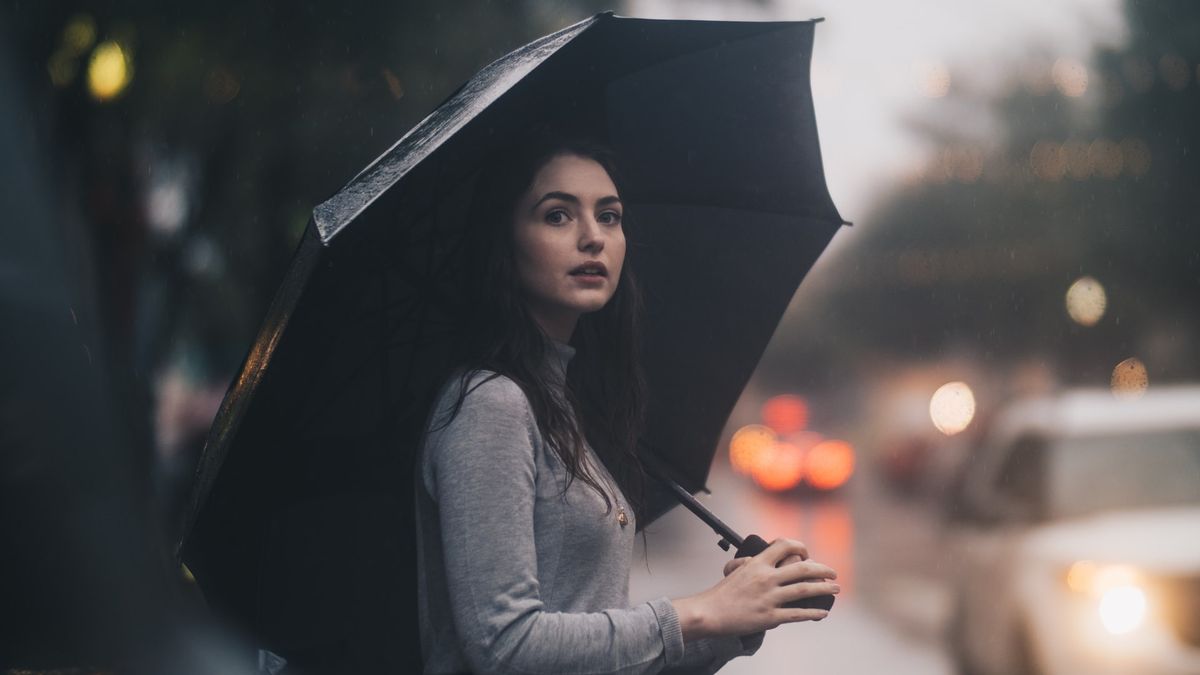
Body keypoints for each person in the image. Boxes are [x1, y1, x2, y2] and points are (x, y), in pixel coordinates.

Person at [413, 133, 840, 675]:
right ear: (503, 240)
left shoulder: (560, 403)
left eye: (609, 216)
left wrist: (739, 617)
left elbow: (602, 654)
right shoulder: (490, 405)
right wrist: (701, 613)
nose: (593, 238)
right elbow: (506, 647)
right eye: (557, 216)